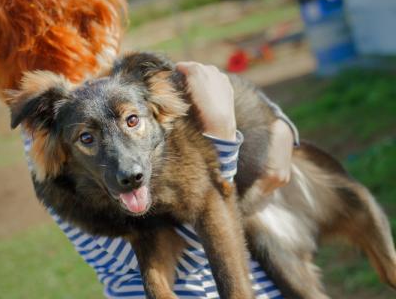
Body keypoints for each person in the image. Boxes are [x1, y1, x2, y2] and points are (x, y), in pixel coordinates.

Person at [22, 62, 298, 299]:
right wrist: (222, 134)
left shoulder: (118, 90)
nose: (128, 169)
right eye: (87, 138)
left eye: (131, 122)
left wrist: (283, 127)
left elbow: (219, 87)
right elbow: (190, 239)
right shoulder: (53, 154)